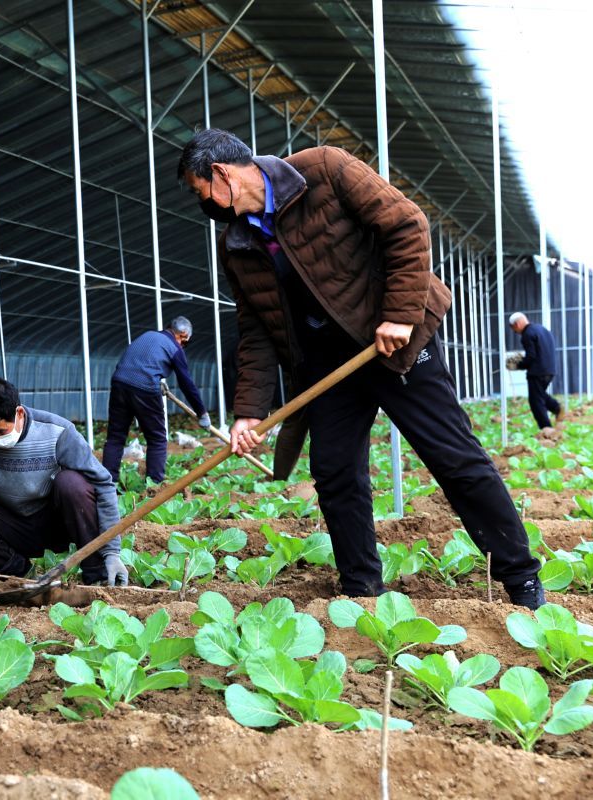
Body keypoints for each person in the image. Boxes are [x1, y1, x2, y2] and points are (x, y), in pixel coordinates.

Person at [176, 128, 544, 608]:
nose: (203, 204)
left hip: (391, 342)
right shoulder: (237, 245)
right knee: (334, 472)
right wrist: (248, 410)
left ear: (222, 173)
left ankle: (521, 579)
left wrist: (400, 314)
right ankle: (362, 589)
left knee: (453, 457)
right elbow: (258, 329)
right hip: (328, 364)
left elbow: (406, 226)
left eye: (200, 192)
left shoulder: (323, 170)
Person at [0, 377, 127, 586]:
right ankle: (19, 573)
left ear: (19, 413)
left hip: (60, 522)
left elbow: (103, 483)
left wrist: (111, 551)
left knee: (71, 483)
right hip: (15, 523)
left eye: (0, 432)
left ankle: (97, 573)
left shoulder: (57, 432)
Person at [101, 317, 211, 486]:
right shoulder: (175, 348)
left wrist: (155, 379)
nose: (183, 346)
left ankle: (108, 485)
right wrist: (202, 412)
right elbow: (186, 383)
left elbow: (136, 363)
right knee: (157, 438)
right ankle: (154, 486)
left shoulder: (147, 335)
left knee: (115, 437)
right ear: (182, 335)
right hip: (144, 388)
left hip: (119, 382)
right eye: (185, 342)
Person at [509, 312, 562, 429]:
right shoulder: (542, 329)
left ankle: (546, 429)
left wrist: (518, 365)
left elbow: (531, 357)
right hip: (550, 370)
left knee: (535, 402)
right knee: (539, 395)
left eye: (514, 329)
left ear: (517, 324)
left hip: (537, 372)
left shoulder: (527, 334)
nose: (516, 332)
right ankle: (557, 408)